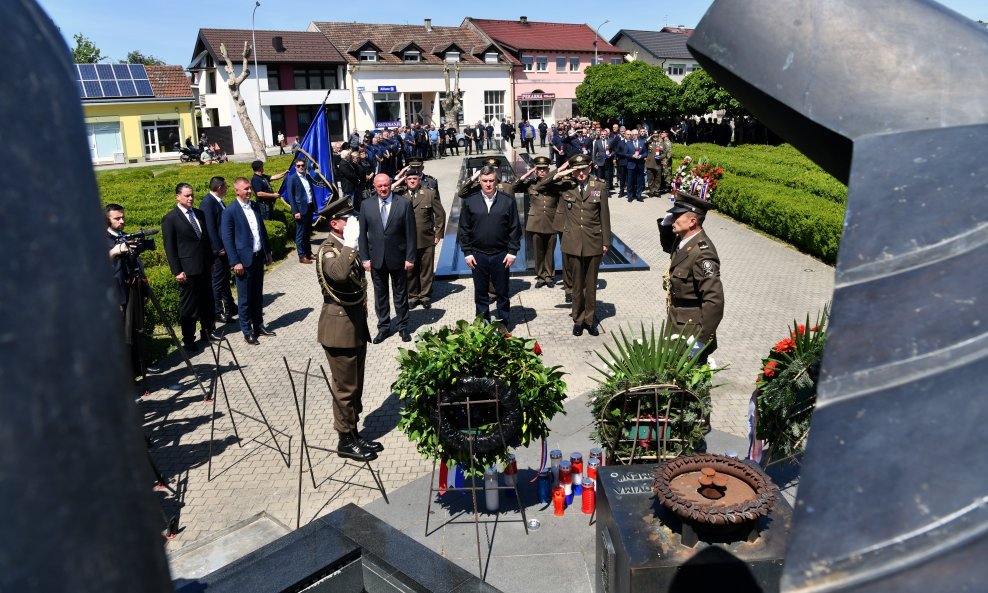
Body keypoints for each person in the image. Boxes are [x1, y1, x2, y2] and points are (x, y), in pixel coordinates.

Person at [315, 197, 381, 461]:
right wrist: (352, 244)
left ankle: (354, 433)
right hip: (338, 330)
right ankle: (344, 440)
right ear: (334, 223)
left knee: (356, 385)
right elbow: (340, 275)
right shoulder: (329, 250)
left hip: (353, 326)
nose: (353, 222)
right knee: (345, 389)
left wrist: (352, 244)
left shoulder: (344, 246)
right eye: (347, 219)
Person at [536, 154, 611, 336]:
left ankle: (590, 320)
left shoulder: (599, 186)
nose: (581, 173)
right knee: (576, 285)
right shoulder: (566, 185)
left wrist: (606, 242)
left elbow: (604, 216)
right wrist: (562, 171)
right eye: (577, 169)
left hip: (593, 241)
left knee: (591, 284)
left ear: (590, 168)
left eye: (584, 169)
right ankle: (578, 320)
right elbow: (541, 185)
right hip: (573, 242)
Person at [658, 192, 724, 362]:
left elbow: (714, 301)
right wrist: (666, 225)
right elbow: (669, 247)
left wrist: (699, 340)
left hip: (690, 330)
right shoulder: (684, 241)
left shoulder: (703, 253)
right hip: (677, 321)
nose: (672, 219)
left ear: (693, 221)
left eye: (676, 216)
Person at [457, 165, 521, 327]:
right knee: (480, 293)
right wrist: (467, 253)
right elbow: (464, 229)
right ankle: (482, 324)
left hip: (501, 255)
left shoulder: (507, 201)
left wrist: (512, 252)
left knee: (502, 292)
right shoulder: (470, 201)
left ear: (496, 181)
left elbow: (515, 228)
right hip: (478, 255)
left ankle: (503, 324)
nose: (488, 184)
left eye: (491, 181)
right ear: (479, 181)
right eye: (484, 181)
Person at [358, 173, 416, 344]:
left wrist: (410, 257)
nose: (383, 189)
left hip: (398, 257)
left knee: (400, 294)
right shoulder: (366, 205)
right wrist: (365, 259)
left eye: (386, 185)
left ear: (391, 184)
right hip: (376, 259)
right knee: (380, 295)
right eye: (380, 186)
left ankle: (403, 326)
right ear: (374, 187)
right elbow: (362, 235)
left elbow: (411, 234)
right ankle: (383, 327)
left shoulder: (404, 203)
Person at [161, 182, 217, 351]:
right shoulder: (170, 218)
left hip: (204, 266)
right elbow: (169, 247)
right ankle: (188, 338)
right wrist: (177, 270)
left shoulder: (199, 214)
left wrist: (211, 261)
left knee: (207, 300)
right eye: (187, 195)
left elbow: (205, 239)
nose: (191, 198)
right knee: (189, 306)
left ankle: (208, 331)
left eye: (192, 195)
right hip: (187, 269)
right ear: (178, 196)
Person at [221, 177, 274, 345]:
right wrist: (235, 261)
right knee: (244, 300)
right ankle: (247, 330)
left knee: (257, 296)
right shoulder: (230, 211)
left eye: (250, 188)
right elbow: (227, 239)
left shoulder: (255, 207)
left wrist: (268, 251)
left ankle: (259, 325)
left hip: (257, 258)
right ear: (237, 191)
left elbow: (261, 230)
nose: (249, 191)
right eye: (245, 189)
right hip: (243, 262)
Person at [392, 168, 446, 310]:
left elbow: (440, 214)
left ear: (419, 180)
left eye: (414, 179)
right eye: (409, 179)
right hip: (406, 240)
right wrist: (398, 182)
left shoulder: (429, 194)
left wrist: (438, 234)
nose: (412, 181)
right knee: (409, 270)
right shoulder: (399, 195)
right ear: (405, 180)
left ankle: (425, 296)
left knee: (426, 269)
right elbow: (383, 192)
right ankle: (413, 296)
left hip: (426, 238)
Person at [200, 176, 237, 324]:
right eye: (226, 186)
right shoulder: (208, 203)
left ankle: (230, 306)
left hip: (225, 249)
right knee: (217, 282)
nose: (227, 189)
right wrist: (218, 249)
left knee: (225, 279)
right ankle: (217, 311)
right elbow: (210, 229)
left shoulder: (218, 202)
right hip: (217, 251)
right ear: (220, 188)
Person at [518, 156, 558, 288]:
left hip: (552, 221)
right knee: (538, 251)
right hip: (536, 222)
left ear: (548, 170)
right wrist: (527, 174)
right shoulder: (531, 183)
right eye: (539, 169)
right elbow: (513, 187)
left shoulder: (555, 184)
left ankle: (549, 276)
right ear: (536, 170)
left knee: (550, 250)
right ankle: (541, 277)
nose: (542, 172)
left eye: (544, 169)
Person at [283, 157, 326, 263]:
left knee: (307, 233)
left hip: (309, 207)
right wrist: (295, 211)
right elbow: (291, 196)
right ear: (295, 167)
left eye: (302, 165)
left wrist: (315, 207)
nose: (301, 167)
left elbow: (311, 192)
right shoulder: (292, 178)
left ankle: (309, 253)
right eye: (298, 166)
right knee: (300, 234)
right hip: (300, 210)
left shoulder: (307, 176)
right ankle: (301, 256)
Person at [622, 129, 647, 201]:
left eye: (636, 134)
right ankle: (630, 196)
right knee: (630, 182)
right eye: (633, 135)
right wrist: (632, 156)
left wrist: (641, 156)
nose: (634, 136)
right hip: (631, 164)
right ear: (631, 136)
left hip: (640, 164)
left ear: (638, 135)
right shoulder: (628, 143)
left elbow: (646, 153)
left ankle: (638, 196)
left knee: (639, 181)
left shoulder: (642, 143)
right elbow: (625, 154)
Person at [645, 132, 663, 197]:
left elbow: (664, 153)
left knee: (658, 179)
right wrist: (651, 136)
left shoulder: (661, 144)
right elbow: (645, 141)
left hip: (657, 164)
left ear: (658, 137)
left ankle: (656, 191)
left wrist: (660, 157)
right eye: (654, 136)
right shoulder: (649, 143)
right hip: (650, 163)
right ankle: (651, 191)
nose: (655, 137)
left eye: (656, 136)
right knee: (650, 178)